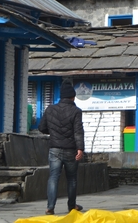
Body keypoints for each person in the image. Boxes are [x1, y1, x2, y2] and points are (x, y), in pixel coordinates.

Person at [38, 81, 85, 215]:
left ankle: (50, 207)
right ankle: (71, 206)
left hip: (55, 149)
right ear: (72, 97)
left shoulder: (50, 109)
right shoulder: (76, 111)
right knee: (72, 179)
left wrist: (53, 132)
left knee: (53, 177)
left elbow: (41, 128)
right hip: (71, 150)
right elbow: (78, 131)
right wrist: (80, 149)